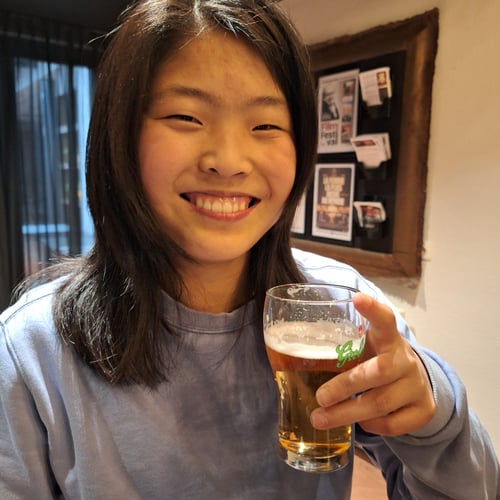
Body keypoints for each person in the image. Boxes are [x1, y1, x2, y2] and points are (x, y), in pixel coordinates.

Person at [0, 0, 498, 498]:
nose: (229, 161)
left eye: (265, 125)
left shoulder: (343, 305)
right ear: (120, 137)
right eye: (185, 116)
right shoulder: (31, 352)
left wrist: (432, 416)